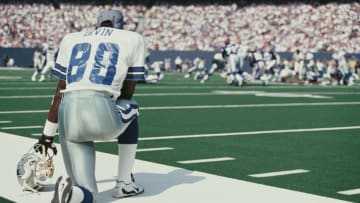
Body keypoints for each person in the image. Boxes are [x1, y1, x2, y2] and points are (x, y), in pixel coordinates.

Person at [34, 9, 145, 203]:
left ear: (97, 24)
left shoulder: (71, 38)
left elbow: (59, 93)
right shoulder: (133, 38)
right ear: (120, 26)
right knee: (131, 107)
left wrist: (46, 137)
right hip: (101, 110)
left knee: (87, 194)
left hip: (68, 115)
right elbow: (127, 92)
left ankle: (69, 194)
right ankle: (124, 184)